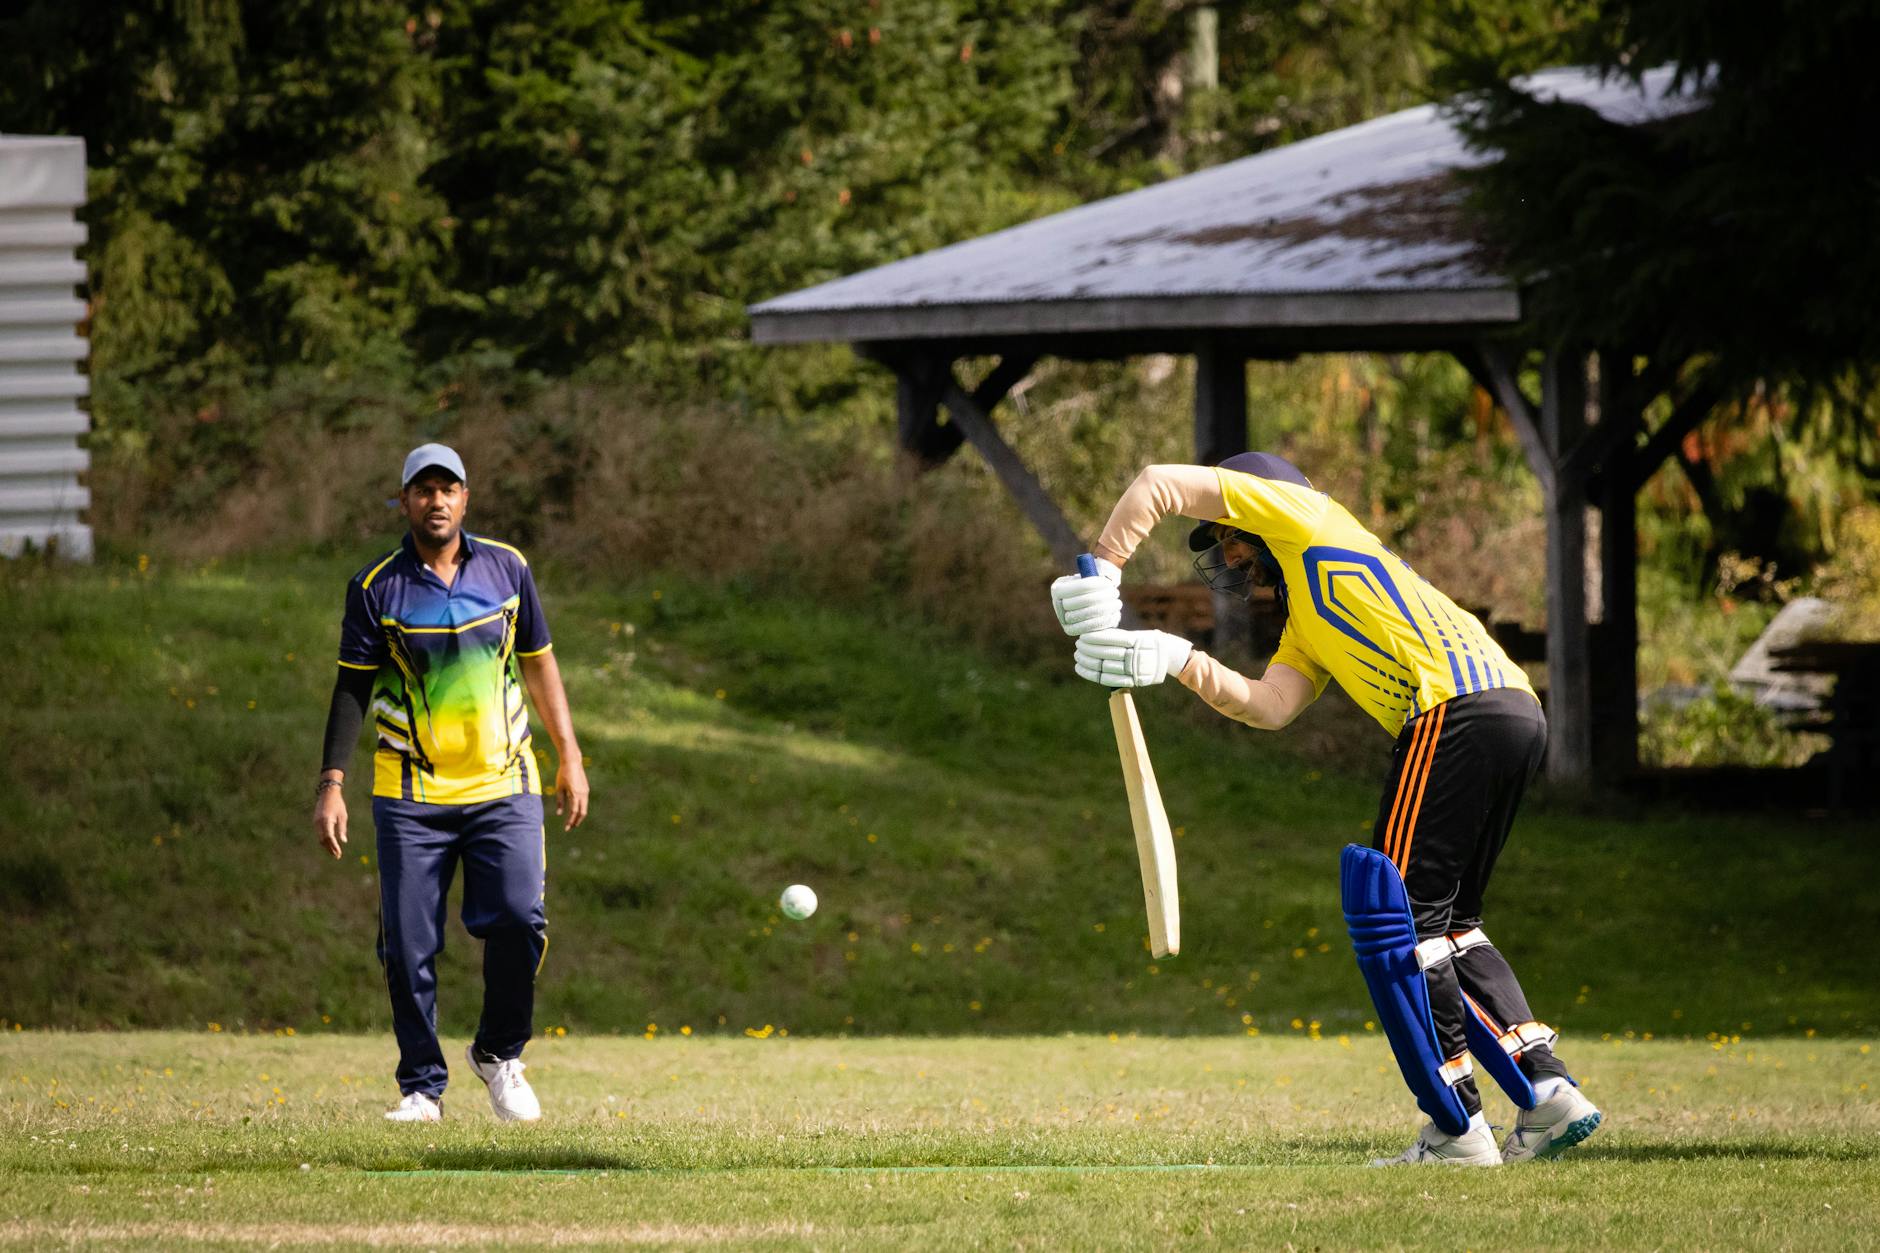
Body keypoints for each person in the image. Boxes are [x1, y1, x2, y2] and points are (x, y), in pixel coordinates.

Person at [1049, 451, 1601, 1167]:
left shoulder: (1305, 517)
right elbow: (1269, 705)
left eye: (1231, 538)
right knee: (1452, 925)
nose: (1231, 555)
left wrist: (1106, 568)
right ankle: (1546, 1089)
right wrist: (1170, 655)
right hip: (1512, 709)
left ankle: (1456, 1127)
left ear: (1260, 507)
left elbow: (1156, 483)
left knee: (1394, 915)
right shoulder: (1308, 617)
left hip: (1451, 709)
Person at [312, 443, 590, 1124]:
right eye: (423, 489)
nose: (436, 500)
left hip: (505, 781)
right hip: (412, 793)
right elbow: (351, 685)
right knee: (407, 943)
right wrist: (332, 781)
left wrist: (570, 754)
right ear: (404, 501)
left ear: (466, 498)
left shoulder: (507, 567)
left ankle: (498, 1053)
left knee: (522, 918)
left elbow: (540, 664)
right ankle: (421, 1088)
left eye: (449, 488)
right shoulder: (376, 585)